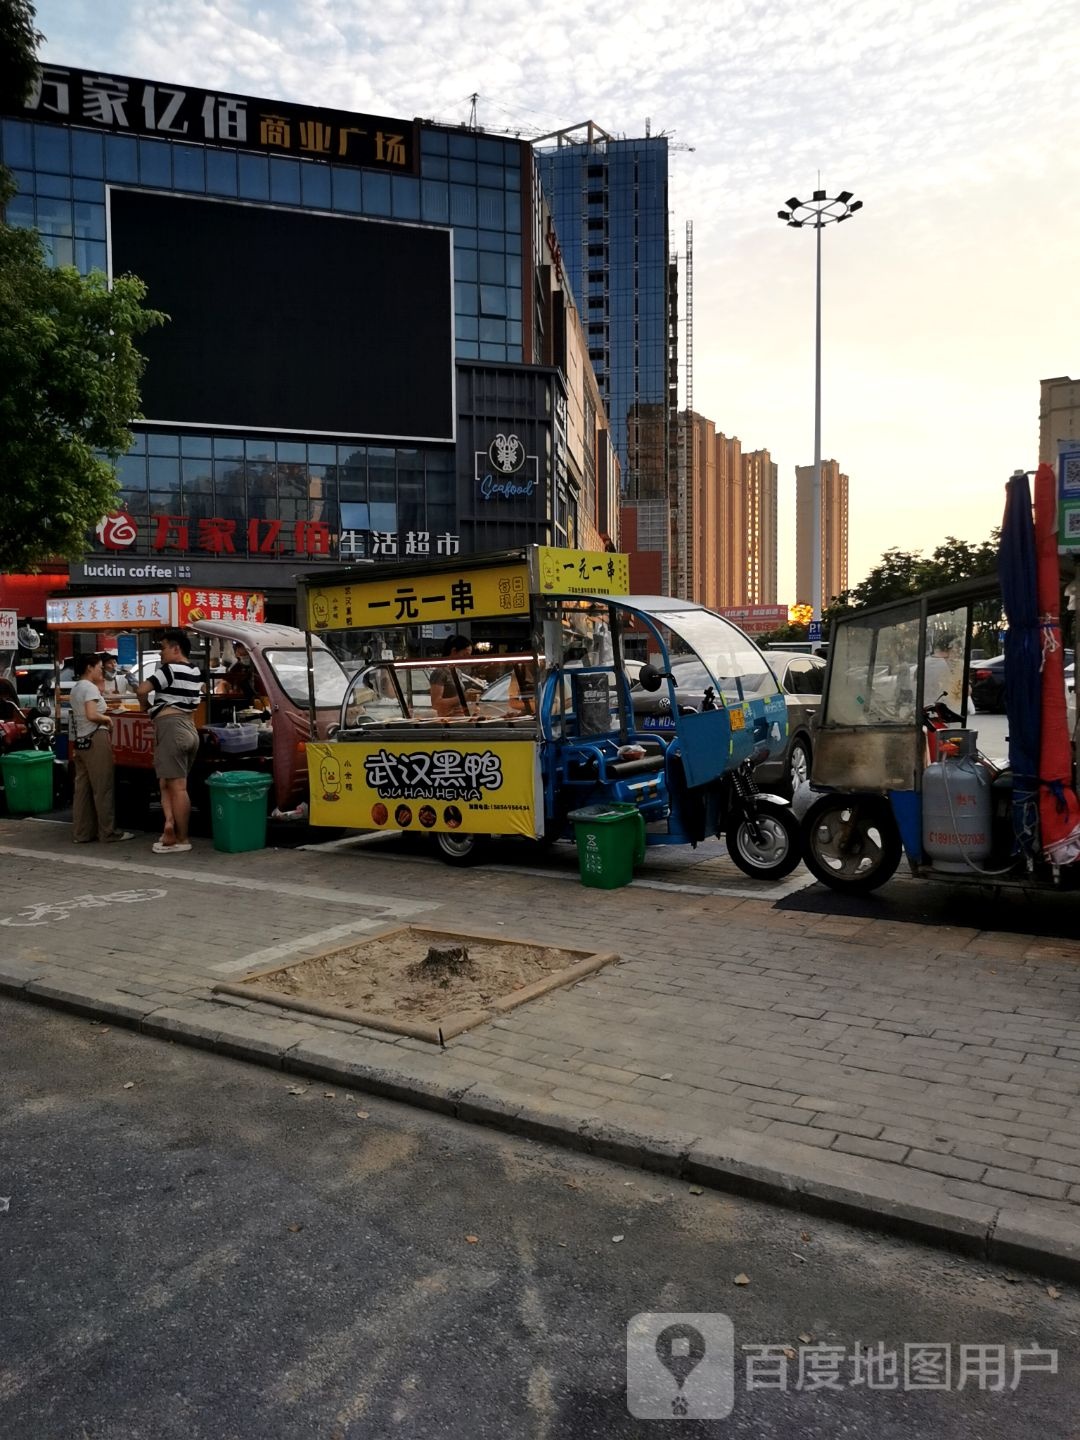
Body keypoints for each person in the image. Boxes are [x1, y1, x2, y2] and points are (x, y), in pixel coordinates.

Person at [137, 628, 201, 855]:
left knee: (178, 787)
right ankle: (169, 826)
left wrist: (144, 705)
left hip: (171, 729)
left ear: (176, 648)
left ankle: (182, 839)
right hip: (189, 729)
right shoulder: (195, 670)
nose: (161, 653)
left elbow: (142, 689)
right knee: (166, 782)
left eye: (163, 648)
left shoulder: (170, 669)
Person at [69, 653, 133, 844]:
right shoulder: (89, 688)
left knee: (82, 790)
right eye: (98, 667)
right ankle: (108, 832)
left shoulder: (77, 688)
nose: (101, 670)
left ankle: (82, 833)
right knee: (102, 787)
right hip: (96, 738)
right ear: (89, 668)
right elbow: (91, 714)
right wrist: (107, 719)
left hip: (81, 740)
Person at [429, 634, 480, 717]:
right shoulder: (440, 672)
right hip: (448, 720)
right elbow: (436, 704)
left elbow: (457, 701)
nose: (466, 659)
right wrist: (463, 697)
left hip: (460, 718)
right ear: (454, 651)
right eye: (464, 655)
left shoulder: (457, 672)